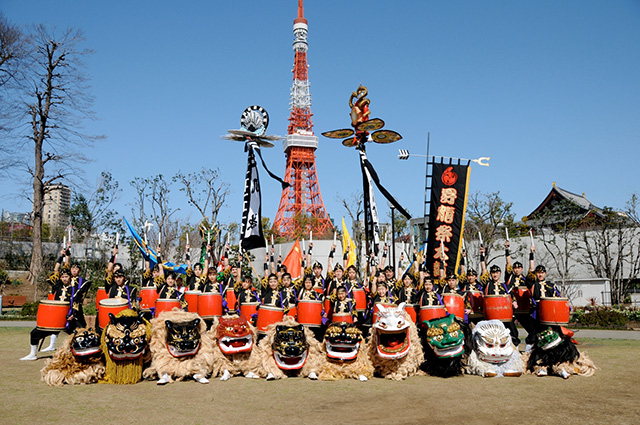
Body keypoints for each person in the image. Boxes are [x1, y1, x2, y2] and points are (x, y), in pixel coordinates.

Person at [20, 260, 89, 361]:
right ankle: (33, 354)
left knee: (81, 334)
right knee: (35, 333)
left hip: (70, 317)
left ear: (70, 277)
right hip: (56, 317)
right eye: (63, 277)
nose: (64, 279)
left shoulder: (75, 288)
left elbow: (77, 302)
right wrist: (61, 257)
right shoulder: (58, 285)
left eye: (66, 277)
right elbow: (55, 271)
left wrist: (72, 314)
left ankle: (82, 355)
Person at [484, 264, 520, 346]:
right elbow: (483, 271)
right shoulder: (487, 284)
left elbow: (512, 296)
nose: (495, 274)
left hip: (505, 315)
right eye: (493, 273)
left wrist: (514, 302)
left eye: (496, 272)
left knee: (513, 332)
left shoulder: (505, 286)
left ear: (500, 273)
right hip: (492, 316)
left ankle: (515, 351)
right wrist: (482, 256)